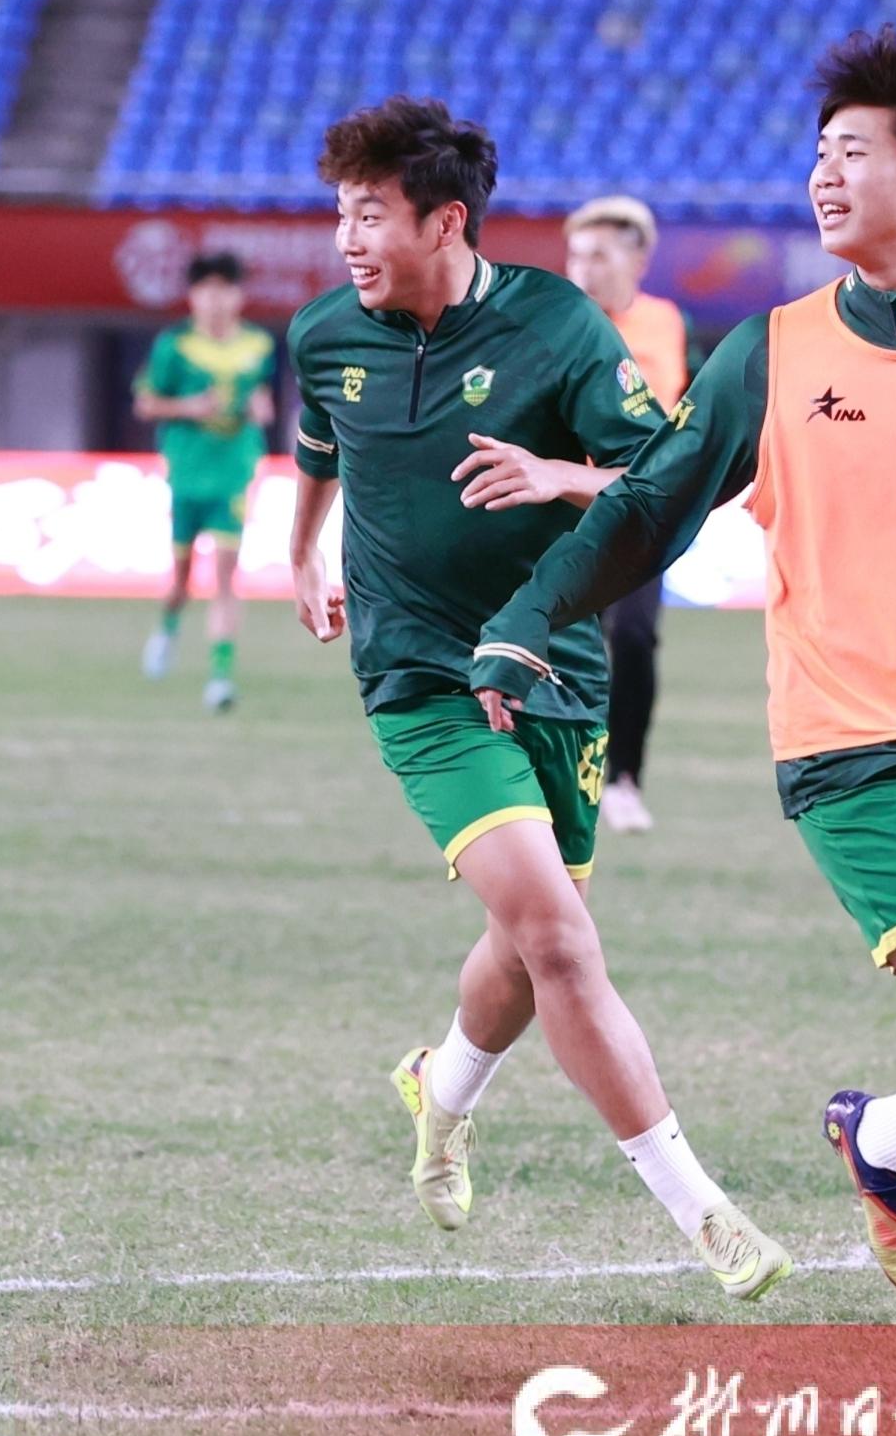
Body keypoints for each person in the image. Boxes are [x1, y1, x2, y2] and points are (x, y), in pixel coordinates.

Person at [473, 28, 896, 1373]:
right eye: (819, 152)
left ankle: (883, 1137)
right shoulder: (771, 352)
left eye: (854, 153)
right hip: (854, 744)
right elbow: (647, 508)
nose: (823, 177)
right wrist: (521, 621)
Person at [287, 96, 790, 1301]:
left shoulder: (556, 325)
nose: (347, 239)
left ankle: (440, 1089)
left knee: (526, 944)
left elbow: (667, 477)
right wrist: (300, 553)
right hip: (420, 679)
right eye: (339, 214)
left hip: (556, 667)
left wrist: (554, 473)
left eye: (369, 215)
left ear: (444, 221)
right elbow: (318, 446)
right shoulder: (321, 335)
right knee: (559, 939)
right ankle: (703, 1214)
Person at [562, 194, 690, 834]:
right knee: (560, 644)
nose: (583, 269)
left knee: (635, 639)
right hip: (562, 507)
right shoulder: (555, 323)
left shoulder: (663, 322)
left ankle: (624, 779)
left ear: (637, 262)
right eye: (577, 255)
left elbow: (670, 414)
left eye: (600, 256)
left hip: (637, 509)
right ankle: (562, 775)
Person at [132, 251, 276, 713]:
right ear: (193, 296)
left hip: (234, 472)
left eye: (224, 289)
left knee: (226, 576)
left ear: (238, 295)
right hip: (187, 473)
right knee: (182, 577)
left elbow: (262, 395)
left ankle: (220, 677)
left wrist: (260, 408)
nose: (215, 300)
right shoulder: (174, 346)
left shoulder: (257, 345)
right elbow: (147, 403)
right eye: (206, 290)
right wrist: (188, 407)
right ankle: (168, 629)